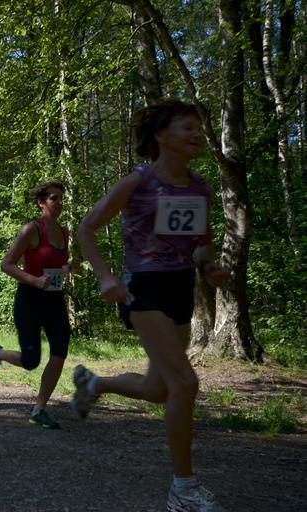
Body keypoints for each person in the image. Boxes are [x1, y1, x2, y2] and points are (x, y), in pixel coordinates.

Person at [74, 99, 230, 511]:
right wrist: (106, 277)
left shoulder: (198, 186)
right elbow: (87, 228)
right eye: (186, 126)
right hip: (144, 289)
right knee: (185, 384)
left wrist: (208, 266)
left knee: (158, 389)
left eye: (198, 127)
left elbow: (201, 241)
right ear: (162, 135)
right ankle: (184, 489)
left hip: (180, 288)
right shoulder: (137, 182)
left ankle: (94, 384)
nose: (196, 134)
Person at [0, 181, 79, 429]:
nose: (59, 203)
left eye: (61, 198)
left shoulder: (64, 232)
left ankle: (39, 409)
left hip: (54, 299)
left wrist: (68, 268)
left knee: (60, 350)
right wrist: (34, 280)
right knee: (31, 360)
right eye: (54, 198)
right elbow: (6, 264)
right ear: (41, 202)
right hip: (30, 299)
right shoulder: (31, 230)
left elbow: (54, 267)